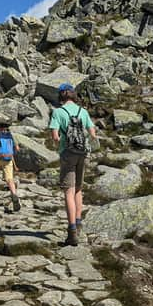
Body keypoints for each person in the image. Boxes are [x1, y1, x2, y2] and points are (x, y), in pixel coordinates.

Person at [49, 83, 96, 246]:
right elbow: (92, 133)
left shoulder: (58, 112)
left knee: (68, 191)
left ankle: (72, 231)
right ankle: (78, 220)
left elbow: (55, 136)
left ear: (61, 96)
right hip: (83, 153)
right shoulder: (83, 111)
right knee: (78, 189)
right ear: (73, 95)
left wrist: (61, 144)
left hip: (67, 153)